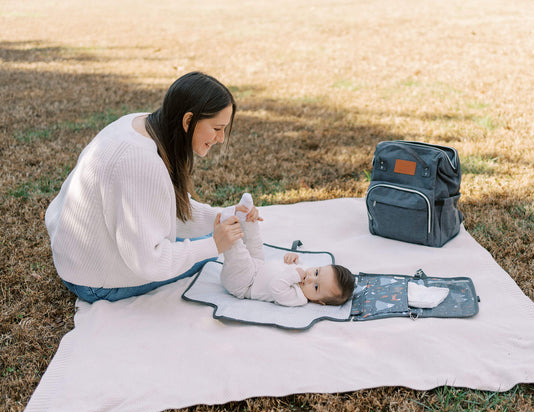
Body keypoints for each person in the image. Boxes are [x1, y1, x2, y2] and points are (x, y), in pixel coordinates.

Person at [45, 72, 254, 303]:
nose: (222, 138)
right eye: (217, 128)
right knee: (208, 252)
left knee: (212, 241)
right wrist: (214, 245)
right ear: (188, 121)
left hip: (74, 259)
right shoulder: (141, 163)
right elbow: (149, 263)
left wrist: (225, 215)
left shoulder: (140, 124)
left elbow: (164, 208)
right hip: (93, 282)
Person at [220, 194, 355, 307]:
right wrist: (293, 258)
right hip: (257, 266)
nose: (310, 278)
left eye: (315, 287)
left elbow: (276, 287)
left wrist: (295, 275)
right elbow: (293, 266)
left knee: (240, 256)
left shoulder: (298, 298)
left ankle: (228, 229)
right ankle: (247, 217)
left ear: (319, 301)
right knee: (255, 244)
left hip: (244, 284)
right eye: (317, 272)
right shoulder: (304, 272)